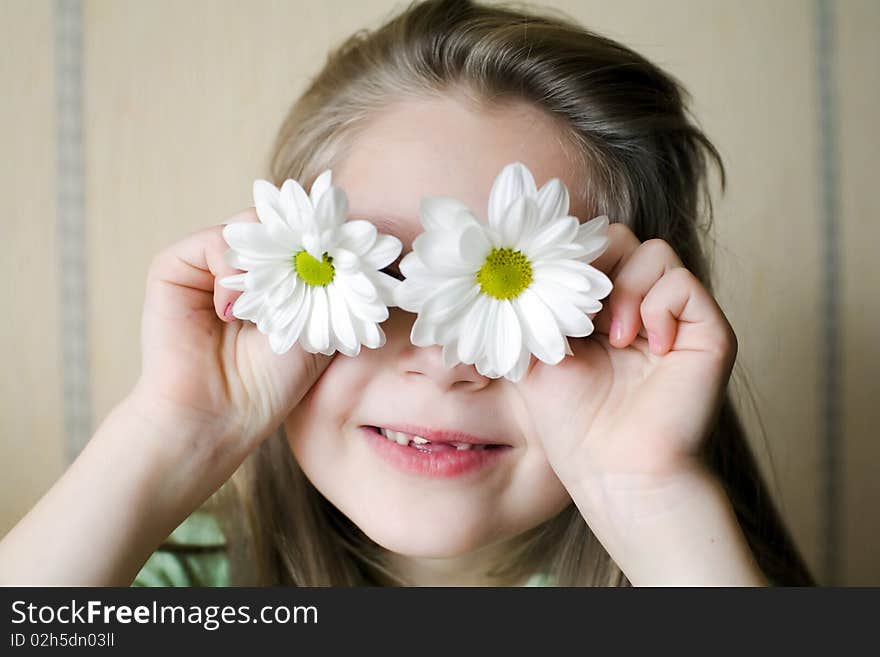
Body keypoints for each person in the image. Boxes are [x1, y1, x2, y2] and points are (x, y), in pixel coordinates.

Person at [0, 0, 814, 586]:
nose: (444, 361)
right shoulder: (171, 577)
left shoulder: (691, 570)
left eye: (510, 295)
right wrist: (173, 433)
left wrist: (648, 494)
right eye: (385, 274)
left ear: (634, 334)